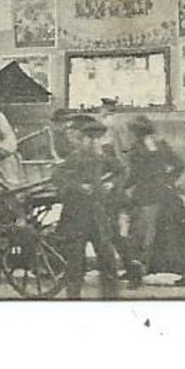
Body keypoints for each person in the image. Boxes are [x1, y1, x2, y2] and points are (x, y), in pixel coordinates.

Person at [122, 116, 185, 287]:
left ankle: (135, 273)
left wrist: (120, 187)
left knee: (140, 234)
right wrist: (168, 179)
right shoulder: (160, 144)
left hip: (146, 196)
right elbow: (179, 164)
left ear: (135, 133)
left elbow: (134, 175)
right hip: (167, 194)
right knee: (177, 235)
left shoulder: (137, 149)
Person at [52, 115, 123, 299]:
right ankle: (73, 299)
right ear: (82, 140)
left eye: (98, 138)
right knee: (75, 263)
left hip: (99, 217)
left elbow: (121, 171)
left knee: (108, 260)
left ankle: (111, 299)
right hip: (76, 218)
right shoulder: (74, 158)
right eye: (90, 138)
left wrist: (112, 184)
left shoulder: (104, 158)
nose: (94, 142)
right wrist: (79, 187)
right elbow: (58, 178)